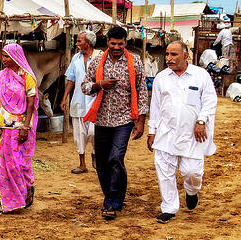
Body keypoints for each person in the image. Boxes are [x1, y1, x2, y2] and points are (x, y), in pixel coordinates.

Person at [81, 26, 149, 220]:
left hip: (124, 120)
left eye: (120, 43)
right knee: (102, 163)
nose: (117, 47)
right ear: (108, 43)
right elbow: (85, 86)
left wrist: (141, 121)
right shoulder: (97, 62)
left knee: (116, 158)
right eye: (113, 43)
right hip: (101, 119)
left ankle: (111, 202)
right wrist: (99, 84)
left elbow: (142, 91)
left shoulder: (134, 62)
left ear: (125, 43)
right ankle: (114, 194)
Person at [147, 41, 217, 223]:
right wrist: (152, 131)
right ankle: (169, 208)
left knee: (192, 172)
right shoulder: (161, 78)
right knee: (164, 170)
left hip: (193, 134)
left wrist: (202, 121)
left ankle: (192, 191)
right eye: (167, 54)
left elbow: (210, 101)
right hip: (166, 132)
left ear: (186, 56)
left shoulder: (200, 75)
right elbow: (155, 106)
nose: (168, 58)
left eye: (174, 54)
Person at [0, 43, 38, 216]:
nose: (3, 59)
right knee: (1, 165)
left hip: (19, 126)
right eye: (3, 56)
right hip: (1, 126)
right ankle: (3, 201)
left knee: (17, 164)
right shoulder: (0, 76)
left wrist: (26, 126)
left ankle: (24, 192)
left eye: (7, 56)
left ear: (16, 57)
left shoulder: (27, 76)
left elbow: (31, 102)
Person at [61, 31, 98, 174]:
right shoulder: (76, 58)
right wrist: (64, 97)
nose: (77, 44)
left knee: (94, 132)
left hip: (95, 102)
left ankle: (95, 154)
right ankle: (82, 164)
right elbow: (71, 79)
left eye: (79, 41)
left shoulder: (99, 57)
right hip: (78, 101)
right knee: (79, 135)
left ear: (87, 43)